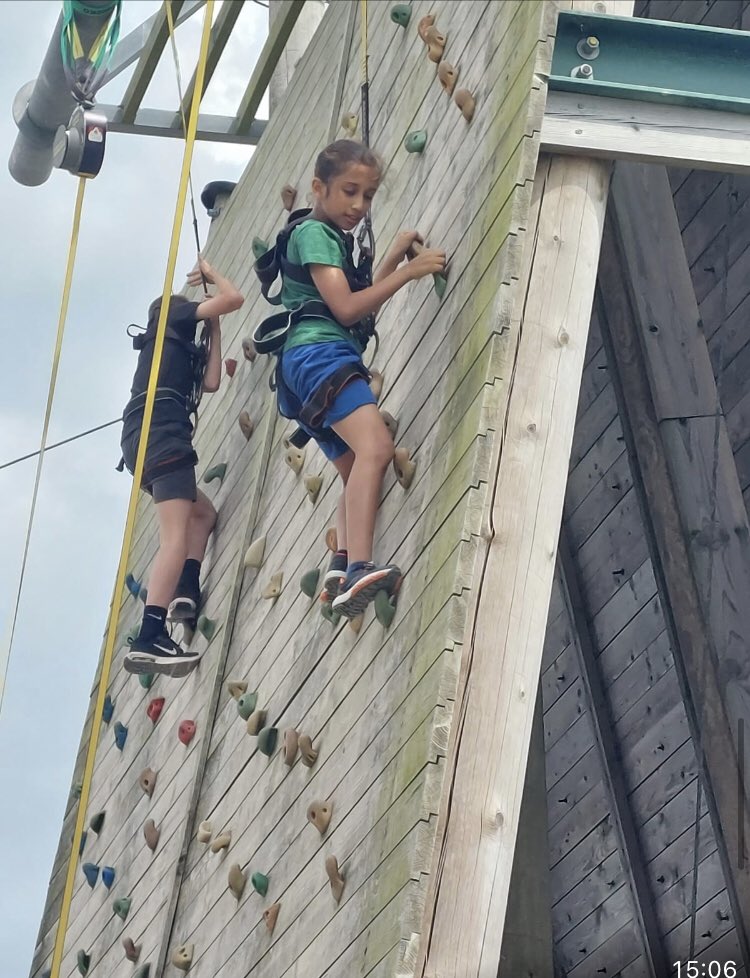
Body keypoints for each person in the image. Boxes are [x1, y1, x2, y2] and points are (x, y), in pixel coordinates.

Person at [269, 139, 446, 618]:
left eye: (368, 195)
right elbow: (347, 309)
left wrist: (391, 259)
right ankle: (358, 570)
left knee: (353, 467)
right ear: (318, 187)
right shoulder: (315, 233)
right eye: (349, 191)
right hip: (320, 355)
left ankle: (341, 563)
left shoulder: (328, 237)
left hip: (305, 368)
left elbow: (356, 305)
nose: (358, 205)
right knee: (377, 449)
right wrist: (409, 273)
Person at [121, 258, 244, 677]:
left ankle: (185, 589)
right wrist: (212, 275)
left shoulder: (172, 352)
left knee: (201, 513)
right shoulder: (169, 318)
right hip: (164, 436)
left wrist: (214, 328)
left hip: (143, 444)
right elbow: (234, 298)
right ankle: (150, 633)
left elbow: (211, 383)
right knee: (174, 536)